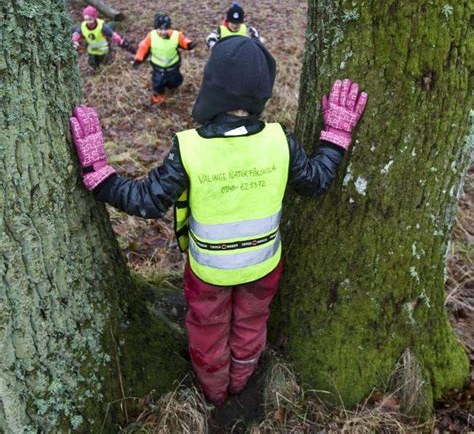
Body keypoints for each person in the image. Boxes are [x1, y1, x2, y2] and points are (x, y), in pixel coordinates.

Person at [69, 37, 367, 405]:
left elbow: (147, 201)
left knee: (208, 331)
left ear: (211, 87)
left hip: (209, 272)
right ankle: (241, 381)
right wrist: (336, 136)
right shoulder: (279, 141)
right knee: (251, 325)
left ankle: (215, 393)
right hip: (263, 267)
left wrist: (100, 174)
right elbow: (317, 180)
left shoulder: (190, 147)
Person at [132, 13, 196, 104]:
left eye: (166, 29)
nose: (163, 32)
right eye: (160, 29)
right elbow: (143, 47)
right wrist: (138, 59)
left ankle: (172, 87)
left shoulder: (176, 35)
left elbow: (183, 41)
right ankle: (158, 96)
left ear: (170, 28)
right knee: (158, 83)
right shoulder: (151, 36)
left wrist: (189, 44)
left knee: (175, 80)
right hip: (158, 67)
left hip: (173, 66)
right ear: (155, 28)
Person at [72, 5, 135, 70]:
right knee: (93, 66)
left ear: (94, 18)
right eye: (86, 20)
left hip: (104, 49)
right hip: (92, 50)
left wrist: (120, 41)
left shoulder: (101, 26)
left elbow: (112, 34)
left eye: (90, 19)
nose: (88, 22)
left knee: (107, 64)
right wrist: (75, 42)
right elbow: (76, 34)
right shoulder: (82, 26)